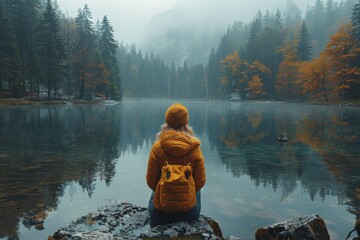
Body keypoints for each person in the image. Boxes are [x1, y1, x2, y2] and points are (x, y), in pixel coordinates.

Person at [146, 103, 206, 227]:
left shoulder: (157, 147)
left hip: (160, 215)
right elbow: (200, 183)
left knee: (158, 185)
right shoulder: (195, 148)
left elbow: (151, 182)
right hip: (189, 214)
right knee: (196, 187)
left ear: (167, 122)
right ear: (186, 123)